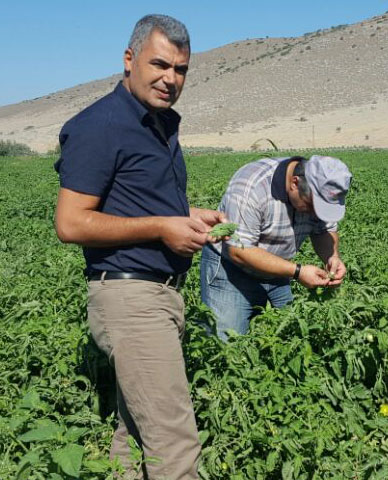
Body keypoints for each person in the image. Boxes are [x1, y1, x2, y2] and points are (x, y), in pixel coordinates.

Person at [54, 15, 224, 480]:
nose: (171, 79)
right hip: (131, 299)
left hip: (159, 296)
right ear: (129, 60)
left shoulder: (158, 124)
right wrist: (162, 228)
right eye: (160, 64)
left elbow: (142, 206)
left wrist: (187, 218)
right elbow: (69, 223)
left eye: (181, 69)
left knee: (135, 442)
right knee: (175, 445)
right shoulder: (101, 125)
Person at [200, 155, 352, 340]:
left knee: (291, 338)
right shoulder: (252, 186)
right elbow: (240, 250)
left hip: (278, 270)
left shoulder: (315, 188)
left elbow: (322, 231)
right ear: (295, 183)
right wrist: (297, 272)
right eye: (312, 206)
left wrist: (332, 257)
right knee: (227, 345)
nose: (315, 214)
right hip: (232, 271)